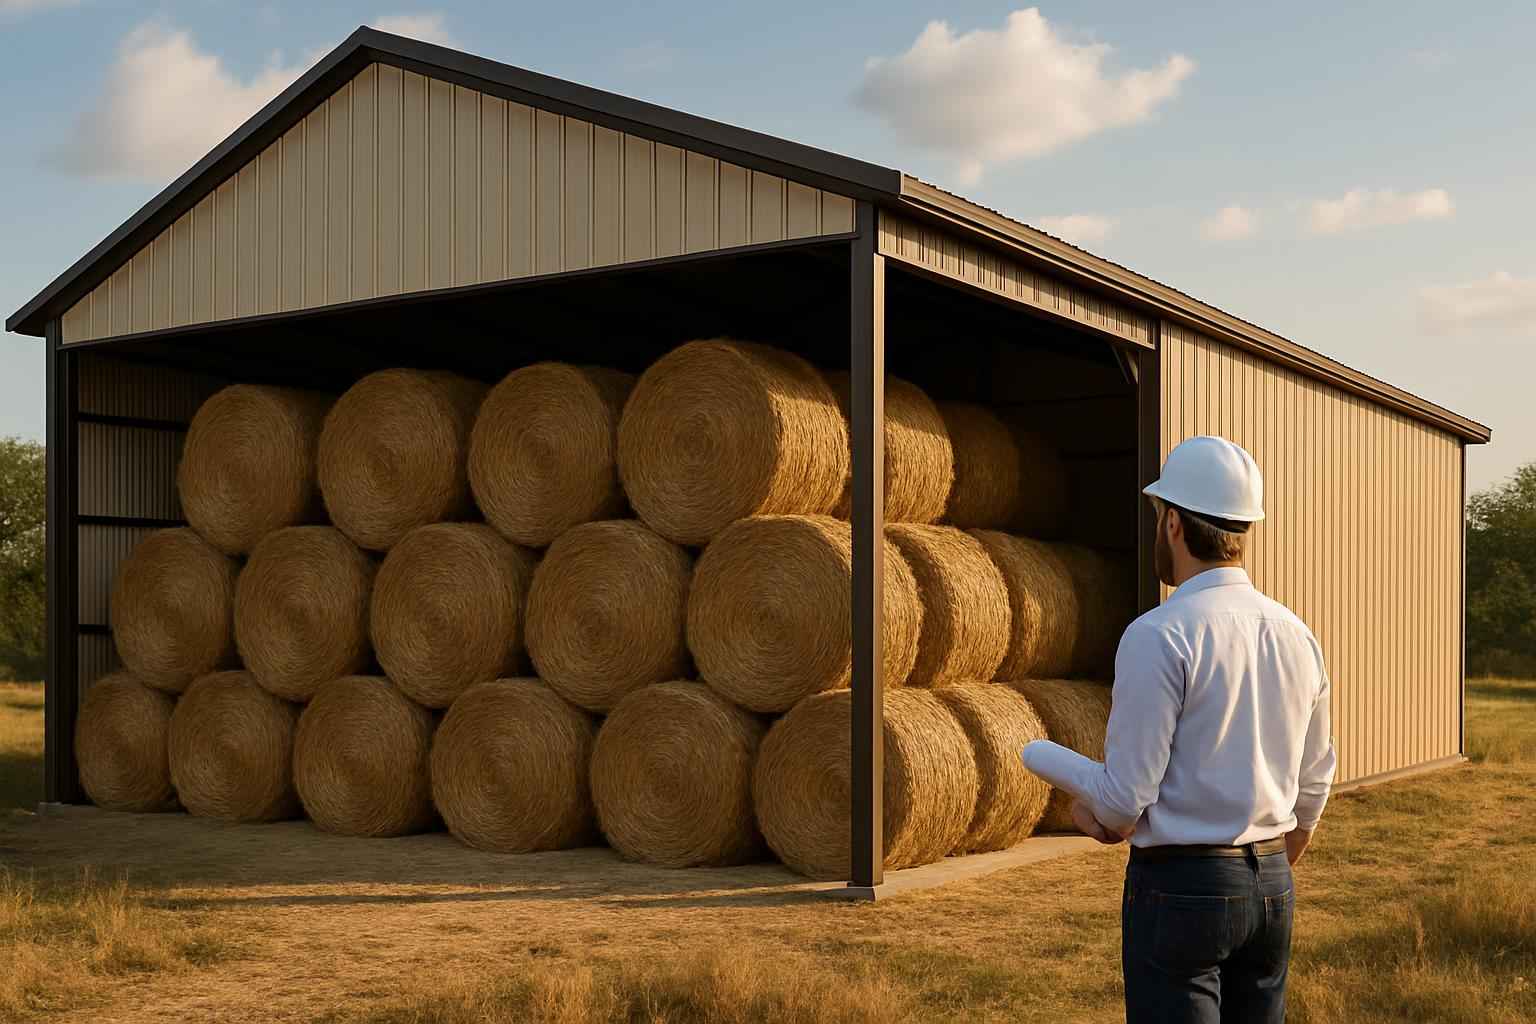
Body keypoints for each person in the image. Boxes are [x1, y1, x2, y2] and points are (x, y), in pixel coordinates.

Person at [1025, 434, 1336, 1024]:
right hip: (1272, 880)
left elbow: (1123, 801)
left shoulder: (1159, 634)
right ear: (1244, 529)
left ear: (1172, 523)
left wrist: (1043, 760)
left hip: (1182, 887)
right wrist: (1271, 866)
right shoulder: (1298, 635)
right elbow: (1315, 780)